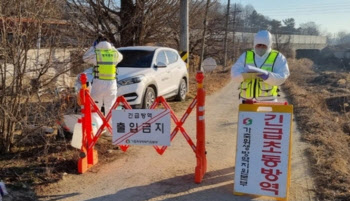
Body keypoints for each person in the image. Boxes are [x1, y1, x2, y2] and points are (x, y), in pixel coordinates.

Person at [231, 30, 290, 102]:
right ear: (254, 44)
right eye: (259, 45)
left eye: (264, 46)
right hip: (247, 101)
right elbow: (234, 74)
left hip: (268, 101)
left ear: (269, 45)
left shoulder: (278, 57)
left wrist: (268, 76)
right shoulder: (246, 55)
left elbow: (283, 76)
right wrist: (243, 75)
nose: (261, 47)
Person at [82, 37, 123, 129]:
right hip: (112, 84)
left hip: (99, 83)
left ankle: (96, 129)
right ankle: (111, 131)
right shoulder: (114, 54)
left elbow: (85, 58)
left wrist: (93, 47)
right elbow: (121, 57)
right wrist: (112, 47)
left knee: (96, 107)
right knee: (111, 108)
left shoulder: (96, 54)